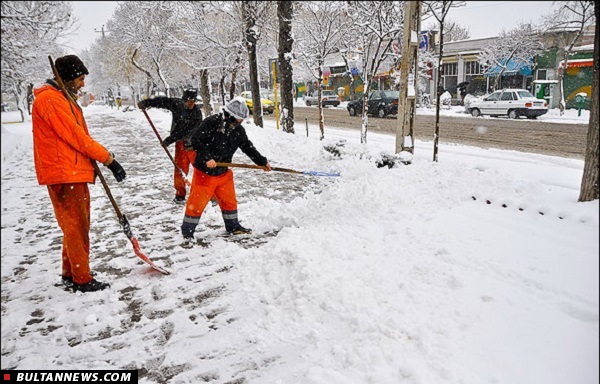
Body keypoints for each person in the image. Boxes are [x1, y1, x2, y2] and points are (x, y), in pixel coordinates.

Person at [32, 54, 127, 293]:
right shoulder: (52, 101)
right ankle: (81, 279)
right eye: (80, 79)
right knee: (77, 227)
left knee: (74, 227)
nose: (83, 84)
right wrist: (108, 159)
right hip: (65, 172)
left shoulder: (61, 98)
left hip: (70, 170)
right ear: (66, 78)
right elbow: (76, 137)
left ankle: (72, 272)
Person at [181, 96, 271, 248]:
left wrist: (262, 162)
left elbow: (247, 147)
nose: (240, 122)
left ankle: (233, 226)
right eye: (238, 119)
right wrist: (207, 158)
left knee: (229, 201)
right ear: (229, 115)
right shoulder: (212, 123)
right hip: (205, 173)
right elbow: (196, 140)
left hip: (223, 172)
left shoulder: (238, 130)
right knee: (196, 203)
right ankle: (187, 231)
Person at [138, 88, 203, 203]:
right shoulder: (177, 104)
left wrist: (169, 140)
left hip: (195, 145)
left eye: (193, 101)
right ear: (183, 100)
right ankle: (180, 194)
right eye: (188, 101)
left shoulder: (197, 114)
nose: (190, 104)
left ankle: (208, 194)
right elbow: (162, 101)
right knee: (179, 170)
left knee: (201, 170)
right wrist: (147, 103)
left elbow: (186, 131)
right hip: (181, 145)